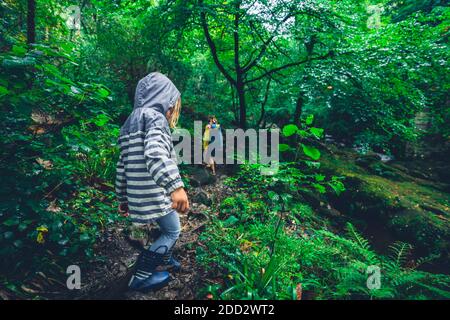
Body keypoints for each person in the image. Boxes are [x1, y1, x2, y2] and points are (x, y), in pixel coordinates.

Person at [115, 72, 189, 292]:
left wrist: (123, 197)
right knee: (172, 231)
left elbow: (122, 165)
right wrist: (175, 186)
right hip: (156, 192)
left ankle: (164, 258)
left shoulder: (129, 122)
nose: (172, 112)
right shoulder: (155, 119)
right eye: (173, 107)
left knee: (166, 228)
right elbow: (156, 154)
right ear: (164, 100)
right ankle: (141, 276)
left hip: (138, 194)